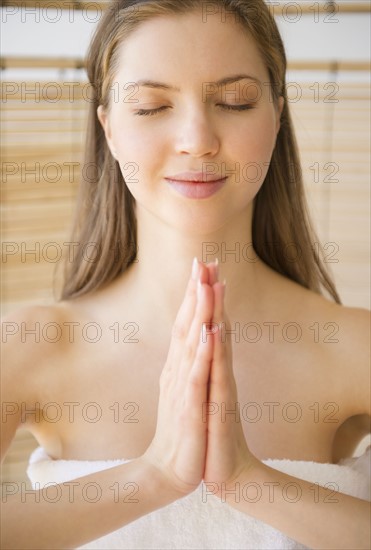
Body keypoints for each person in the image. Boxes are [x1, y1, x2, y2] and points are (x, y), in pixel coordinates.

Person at [1, 1, 370, 548]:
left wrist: (249, 481)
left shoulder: (354, 347)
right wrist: (153, 478)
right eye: (151, 107)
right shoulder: (29, 344)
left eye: (234, 101)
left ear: (276, 114)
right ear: (108, 126)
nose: (197, 138)